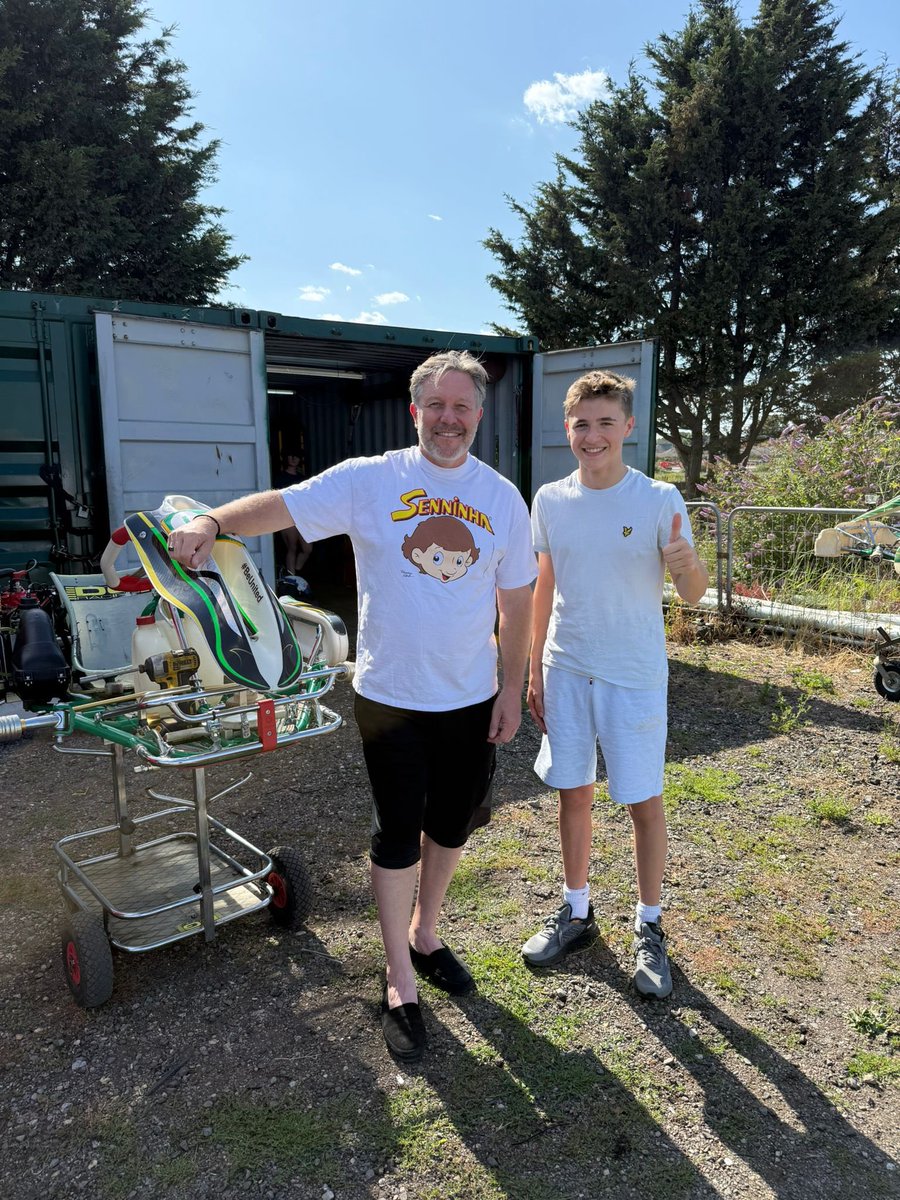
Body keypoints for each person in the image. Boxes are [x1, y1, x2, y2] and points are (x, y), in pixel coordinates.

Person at [167, 350, 535, 1060]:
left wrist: (512, 689)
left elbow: (515, 602)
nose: (449, 419)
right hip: (390, 697)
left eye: (462, 407)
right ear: (415, 410)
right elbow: (282, 504)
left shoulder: (501, 498)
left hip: (472, 697)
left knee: (453, 826)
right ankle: (400, 974)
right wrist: (212, 519)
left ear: (479, 416)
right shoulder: (373, 479)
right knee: (398, 835)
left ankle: (427, 934)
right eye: (438, 405)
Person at [521, 370, 708, 999]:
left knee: (640, 799)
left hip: (632, 675)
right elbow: (543, 585)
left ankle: (649, 925)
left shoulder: (659, 499)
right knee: (573, 793)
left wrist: (688, 568)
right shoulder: (549, 499)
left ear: (629, 427)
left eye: (605, 423)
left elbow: (692, 593)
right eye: (581, 424)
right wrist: (530, 668)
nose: (592, 435)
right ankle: (577, 911)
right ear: (567, 429)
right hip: (565, 668)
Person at [272, 448, 311, 578]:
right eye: (291, 456)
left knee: (307, 549)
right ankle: (292, 578)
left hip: (302, 516)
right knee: (292, 547)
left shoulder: (303, 478)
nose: (294, 459)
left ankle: (295, 571)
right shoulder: (280, 478)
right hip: (287, 516)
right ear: (286, 458)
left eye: (297, 456)